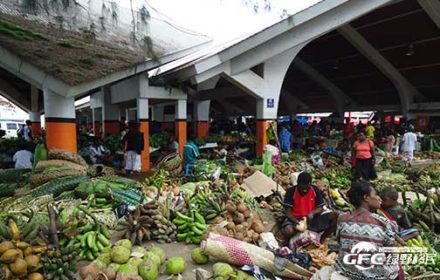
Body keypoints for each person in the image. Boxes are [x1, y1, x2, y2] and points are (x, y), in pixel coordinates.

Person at [311, 180, 402, 280]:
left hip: (346, 270)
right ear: (366, 198)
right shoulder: (383, 222)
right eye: (375, 194)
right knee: (397, 264)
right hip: (372, 275)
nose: (379, 198)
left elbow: (342, 242)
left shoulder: (342, 219)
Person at [282, 172, 338, 243]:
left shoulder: (315, 190)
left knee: (335, 215)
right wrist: (296, 222)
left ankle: (322, 239)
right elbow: (287, 212)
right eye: (302, 188)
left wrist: (312, 213)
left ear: (310, 184)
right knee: (288, 231)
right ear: (298, 184)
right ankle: (289, 242)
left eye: (306, 188)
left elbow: (320, 208)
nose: (304, 190)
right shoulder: (291, 191)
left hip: (312, 220)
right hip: (295, 220)